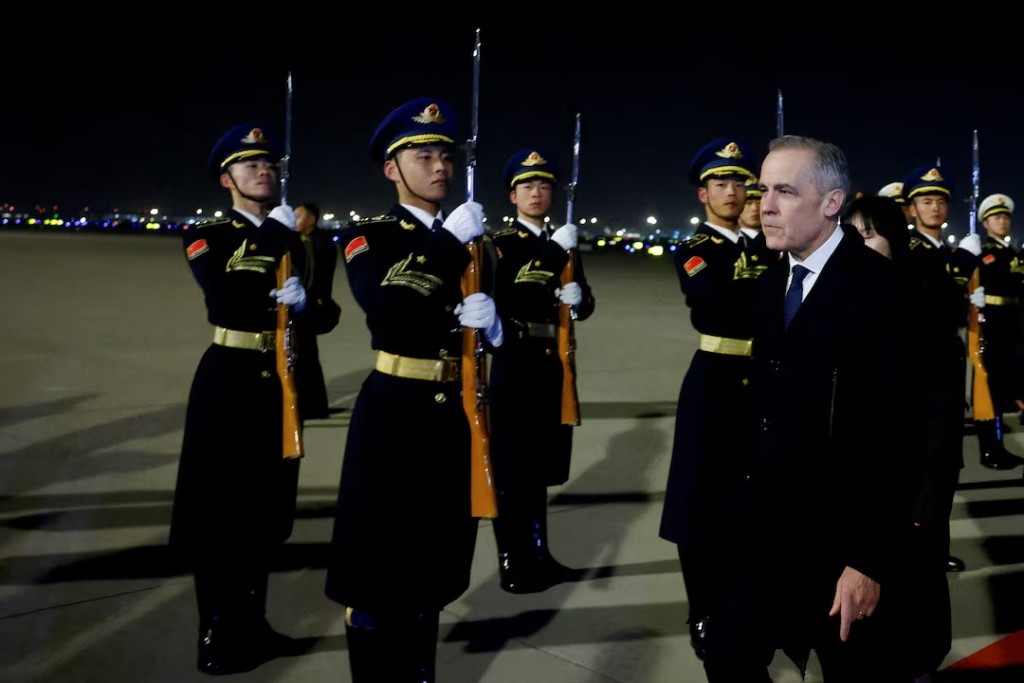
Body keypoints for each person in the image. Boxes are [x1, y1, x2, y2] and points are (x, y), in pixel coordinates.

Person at [704, 136, 910, 682]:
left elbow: (897, 438)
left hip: (838, 547)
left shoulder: (883, 289)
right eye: (763, 189)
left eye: (785, 191)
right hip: (762, 536)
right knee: (727, 659)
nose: (764, 204)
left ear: (831, 203)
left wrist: (866, 560)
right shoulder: (773, 284)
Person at [324, 97, 503, 683]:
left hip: (453, 415)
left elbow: (478, 330)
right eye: (422, 155)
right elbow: (391, 310)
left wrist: (498, 328)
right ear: (390, 169)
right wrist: (449, 243)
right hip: (394, 416)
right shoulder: (366, 237)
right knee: (380, 575)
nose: (439, 167)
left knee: (433, 566)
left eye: (445, 156)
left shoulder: (480, 241)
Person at [169, 123, 307, 675]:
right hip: (228, 376)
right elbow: (224, 293)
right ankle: (216, 635)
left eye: (269, 163)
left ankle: (254, 622)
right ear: (226, 178)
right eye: (251, 165)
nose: (264, 171)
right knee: (220, 513)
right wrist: (277, 238)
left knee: (265, 510)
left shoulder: (293, 237)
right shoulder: (206, 234)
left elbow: (323, 312)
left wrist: (304, 305)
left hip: (280, 376)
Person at [659, 136, 767, 661]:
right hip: (717, 381)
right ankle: (702, 607)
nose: (733, 190)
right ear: (704, 193)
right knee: (702, 502)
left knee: (755, 498)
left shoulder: (772, 247)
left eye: (740, 182)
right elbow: (715, 302)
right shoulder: (696, 250)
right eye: (721, 182)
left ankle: (750, 600)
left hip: (766, 379)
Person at [843, 195, 952, 680]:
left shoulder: (923, 315)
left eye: (868, 235)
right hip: (852, 509)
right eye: (849, 236)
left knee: (910, 641)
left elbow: (941, 425)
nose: (857, 246)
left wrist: (923, 512)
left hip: (908, 508)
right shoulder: (839, 311)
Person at [487, 147, 596, 594]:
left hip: (552, 363)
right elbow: (511, 293)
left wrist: (580, 300)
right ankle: (513, 561)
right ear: (513, 195)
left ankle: (539, 554)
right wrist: (554, 251)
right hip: (515, 361)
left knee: (539, 470)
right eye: (527, 185)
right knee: (513, 471)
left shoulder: (562, 243)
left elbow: (584, 300)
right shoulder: (500, 244)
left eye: (544, 185)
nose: (537, 192)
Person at [902, 164, 973, 572]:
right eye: (926, 200)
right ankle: (921, 551)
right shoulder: (913, 252)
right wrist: (963, 263)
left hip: (945, 377)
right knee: (929, 468)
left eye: (941, 200)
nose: (934, 206)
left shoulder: (939, 251)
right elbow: (936, 307)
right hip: (926, 380)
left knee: (945, 467)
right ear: (911, 209)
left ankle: (934, 546)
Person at [958, 193, 1024, 469]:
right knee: (991, 388)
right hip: (993, 325)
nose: (1003, 221)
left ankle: (998, 446)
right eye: (997, 217)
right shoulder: (983, 253)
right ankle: (991, 448)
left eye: (1006, 216)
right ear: (985, 223)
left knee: (1008, 384)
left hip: (1014, 324)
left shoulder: (1012, 253)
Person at [291, 201, 342, 420]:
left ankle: (312, 406)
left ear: (311, 220)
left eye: (298, 216)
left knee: (305, 357)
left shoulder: (318, 243)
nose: (294, 221)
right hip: (308, 306)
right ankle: (313, 405)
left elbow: (311, 278)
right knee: (306, 356)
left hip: (309, 308)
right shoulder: (312, 241)